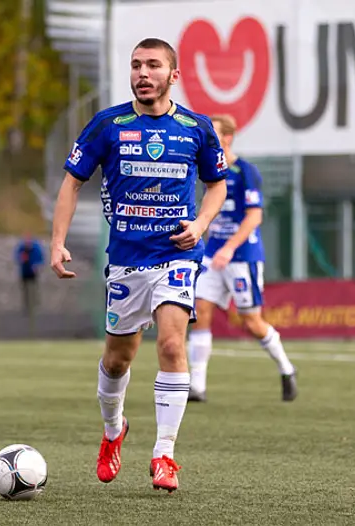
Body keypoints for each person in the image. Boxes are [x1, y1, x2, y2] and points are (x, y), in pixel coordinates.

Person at [50, 37, 228, 493]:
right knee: (117, 360)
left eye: (153, 65)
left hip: (177, 255)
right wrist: (58, 242)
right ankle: (113, 432)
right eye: (135, 65)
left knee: (171, 345)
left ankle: (164, 454)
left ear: (174, 75)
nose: (142, 73)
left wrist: (202, 224)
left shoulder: (197, 127)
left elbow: (216, 186)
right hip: (127, 260)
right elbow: (72, 183)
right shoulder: (108, 124)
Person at [187, 114, 298, 403]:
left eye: (212, 133)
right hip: (212, 256)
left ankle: (286, 369)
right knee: (199, 312)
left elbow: (255, 216)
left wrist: (229, 248)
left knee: (251, 321)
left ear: (227, 138)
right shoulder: (206, 170)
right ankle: (197, 386)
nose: (206, 137)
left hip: (242, 256)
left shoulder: (245, 171)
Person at [14, 233, 44, 316]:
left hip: (33, 272)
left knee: (33, 289)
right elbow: (17, 257)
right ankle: (26, 306)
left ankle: (34, 306)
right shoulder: (21, 248)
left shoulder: (36, 248)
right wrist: (21, 259)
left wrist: (36, 266)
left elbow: (40, 258)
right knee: (25, 290)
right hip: (24, 271)